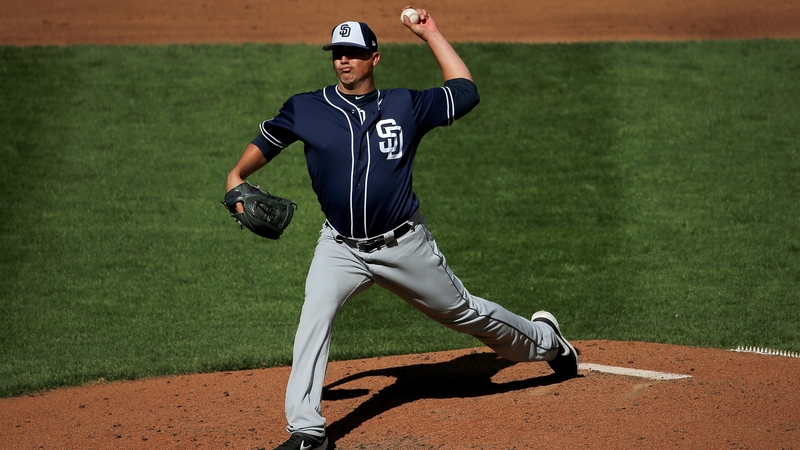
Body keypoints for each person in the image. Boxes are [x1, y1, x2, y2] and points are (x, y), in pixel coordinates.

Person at [224, 7, 578, 450]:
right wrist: (235, 177)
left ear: (375, 57)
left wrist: (430, 34)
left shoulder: (405, 105)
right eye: (337, 54)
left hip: (404, 245)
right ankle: (308, 430)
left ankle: (548, 341)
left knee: (465, 313)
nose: (343, 62)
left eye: (353, 53)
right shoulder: (306, 108)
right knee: (314, 316)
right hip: (339, 247)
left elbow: (465, 91)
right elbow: (266, 144)